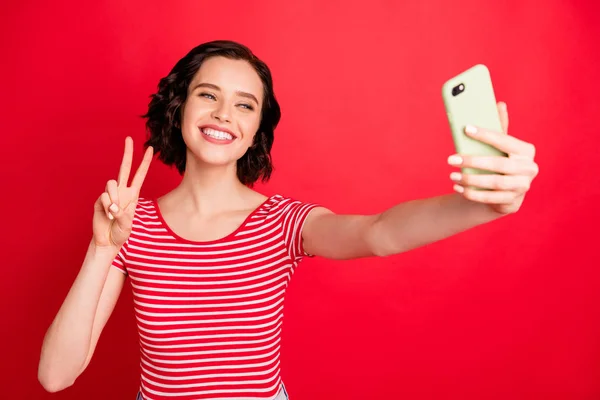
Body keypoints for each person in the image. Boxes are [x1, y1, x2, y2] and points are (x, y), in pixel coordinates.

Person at [37, 40, 539, 400]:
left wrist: (481, 205)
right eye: (208, 94)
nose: (224, 114)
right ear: (180, 107)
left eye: (245, 104)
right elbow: (56, 376)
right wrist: (102, 248)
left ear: (256, 129)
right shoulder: (131, 224)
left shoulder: (282, 222)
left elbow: (378, 233)